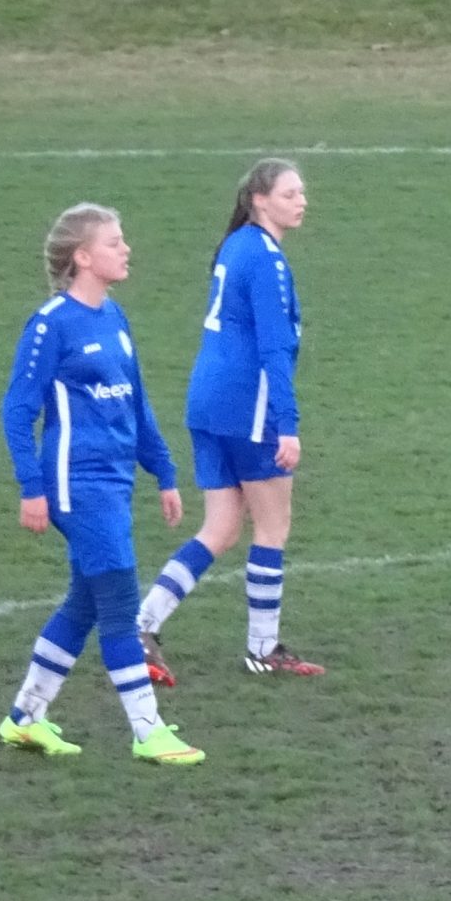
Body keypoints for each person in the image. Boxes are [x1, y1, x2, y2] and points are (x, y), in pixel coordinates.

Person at [0, 204, 204, 766]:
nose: (126, 248)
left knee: (84, 603)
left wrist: (162, 471)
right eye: (114, 242)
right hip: (73, 484)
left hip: (112, 483)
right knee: (119, 603)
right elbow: (17, 411)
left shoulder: (114, 317)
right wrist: (30, 487)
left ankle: (24, 719)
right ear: (82, 257)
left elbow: (135, 402)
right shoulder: (51, 324)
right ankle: (147, 730)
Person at [136, 157, 324, 681]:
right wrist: (286, 423)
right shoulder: (264, 257)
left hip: (207, 401)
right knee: (273, 525)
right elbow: (275, 346)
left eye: (302, 193)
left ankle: (142, 623)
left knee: (219, 527)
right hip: (249, 407)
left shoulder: (237, 244)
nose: (301, 201)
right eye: (290, 193)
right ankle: (262, 649)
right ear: (260, 199)